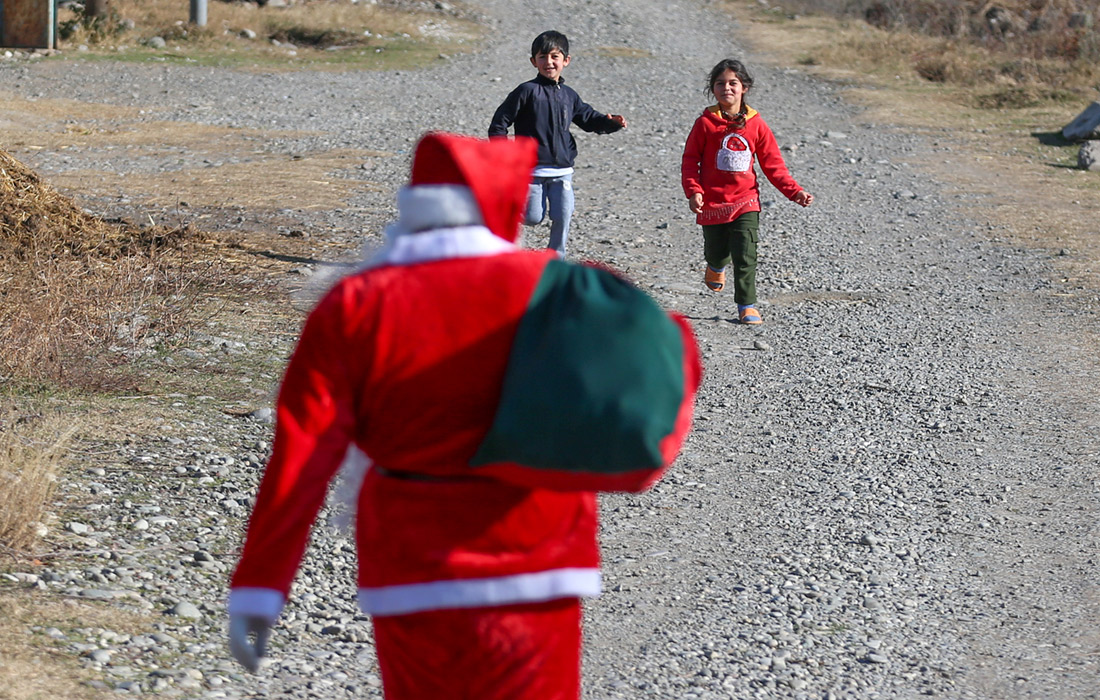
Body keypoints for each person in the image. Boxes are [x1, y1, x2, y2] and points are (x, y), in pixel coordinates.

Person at [227, 132, 701, 700]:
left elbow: (301, 453)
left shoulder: (356, 301)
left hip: (409, 568)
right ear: (504, 208)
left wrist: (260, 586)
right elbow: (658, 351)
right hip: (537, 557)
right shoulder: (551, 289)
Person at [681, 58, 814, 325]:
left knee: (746, 253)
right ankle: (716, 266)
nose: (727, 88)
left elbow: (773, 165)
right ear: (713, 88)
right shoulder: (705, 124)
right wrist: (694, 190)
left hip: (746, 201)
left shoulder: (756, 125)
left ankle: (746, 305)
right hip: (712, 203)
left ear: (745, 88)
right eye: (720, 83)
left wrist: (794, 191)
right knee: (717, 251)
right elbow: (690, 160)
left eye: (733, 83)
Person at [488, 30, 627, 257]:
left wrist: (611, 123)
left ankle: (556, 258)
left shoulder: (569, 96)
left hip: (563, 169)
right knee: (532, 217)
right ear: (534, 61)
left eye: (554, 56)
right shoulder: (526, 91)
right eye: (542, 57)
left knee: (563, 215)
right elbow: (499, 124)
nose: (549, 62)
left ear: (566, 61)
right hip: (531, 169)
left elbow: (589, 119)